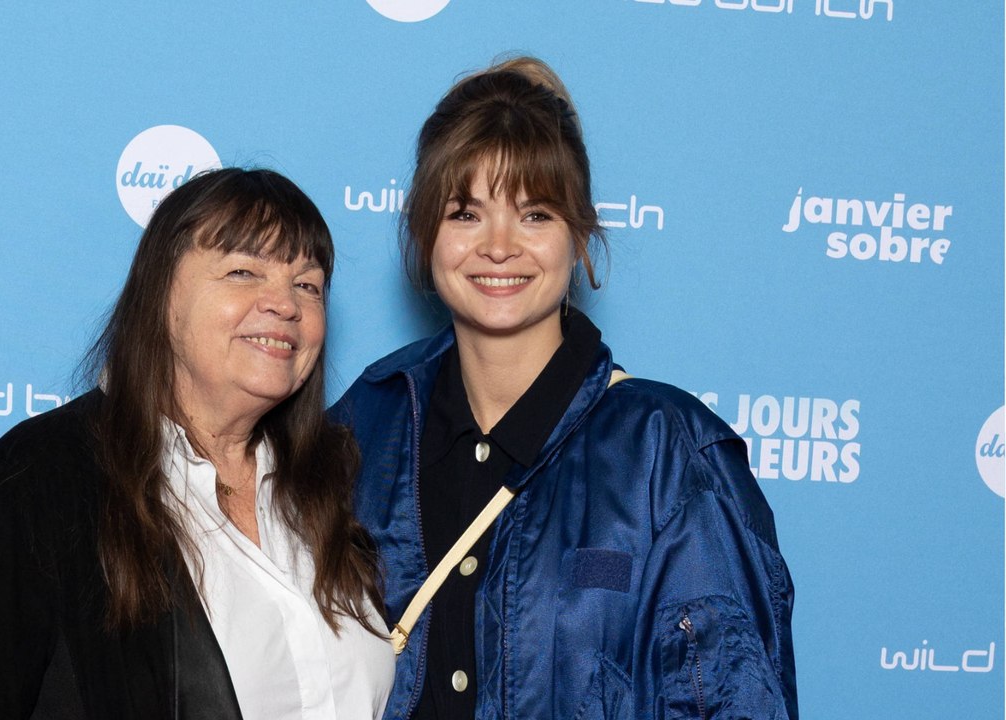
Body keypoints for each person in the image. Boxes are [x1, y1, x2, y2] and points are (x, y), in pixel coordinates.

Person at [331, 57, 797, 719]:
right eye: (466, 213)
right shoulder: (364, 425)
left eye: (535, 214)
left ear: (579, 236)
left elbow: (738, 701)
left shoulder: (668, 453)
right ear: (424, 231)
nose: (498, 246)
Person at [0, 168, 394, 719]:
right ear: (159, 295)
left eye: (308, 284)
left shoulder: (343, 479)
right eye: (242, 271)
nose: (285, 303)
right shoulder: (34, 484)